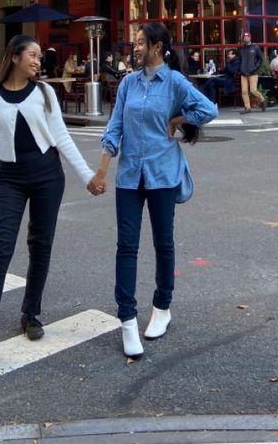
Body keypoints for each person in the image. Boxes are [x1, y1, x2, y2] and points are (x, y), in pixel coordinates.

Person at [0, 35, 103, 377]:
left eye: (40, 56)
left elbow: (62, 137)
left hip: (47, 175)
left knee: (40, 246)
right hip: (10, 178)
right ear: (14, 57)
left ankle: (31, 313)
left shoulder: (45, 93)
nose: (38, 61)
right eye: (32, 55)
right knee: (0, 251)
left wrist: (88, 176)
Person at [89, 23, 217, 360]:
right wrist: (102, 169)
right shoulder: (128, 83)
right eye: (135, 43)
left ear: (158, 47)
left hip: (163, 173)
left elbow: (208, 110)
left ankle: (162, 306)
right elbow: (114, 127)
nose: (135, 49)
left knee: (164, 243)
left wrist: (178, 120)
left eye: (141, 43)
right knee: (126, 246)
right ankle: (127, 318)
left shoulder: (174, 81)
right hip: (129, 175)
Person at [239, 31, 266, 113]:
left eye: (247, 37)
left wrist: (255, 67)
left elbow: (260, 59)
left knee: (253, 90)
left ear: (250, 38)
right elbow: (240, 60)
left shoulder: (255, 47)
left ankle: (262, 100)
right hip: (243, 73)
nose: (246, 38)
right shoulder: (242, 49)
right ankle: (247, 108)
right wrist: (241, 68)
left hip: (253, 73)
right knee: (244, 91)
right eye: (244, 37)